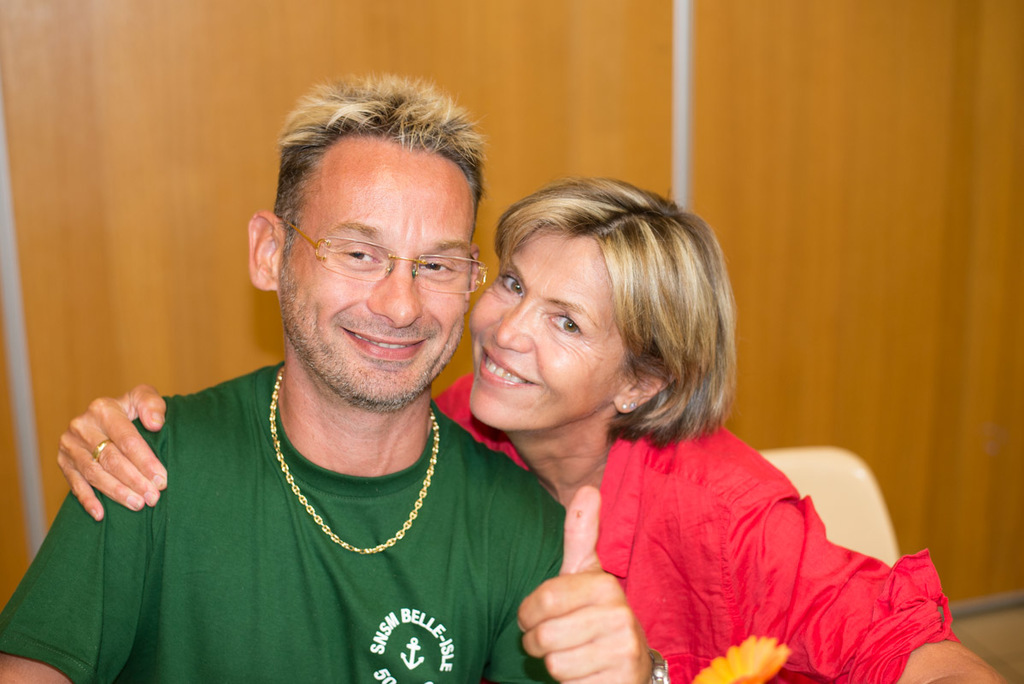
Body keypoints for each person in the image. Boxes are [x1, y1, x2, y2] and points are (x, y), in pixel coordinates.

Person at [49, 176, 1004, 682]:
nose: (505, 331)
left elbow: (921, 657)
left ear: (641, 381)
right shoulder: (447, 433)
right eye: (511, 283)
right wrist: (133, 428)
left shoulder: (727, 513)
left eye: (568, 323)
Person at [0, 75, 575, 683]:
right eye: (359, 254)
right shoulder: (141, 467)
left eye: (436, 264)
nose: (401, 306)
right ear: (270, 253)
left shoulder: (520, 524)